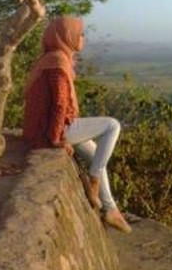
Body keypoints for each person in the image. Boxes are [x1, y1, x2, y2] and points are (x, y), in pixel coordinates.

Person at [22, 15, 131, 233]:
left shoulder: (54, 58)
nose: (83, 38)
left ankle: (110, 210)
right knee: (112, 125)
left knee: (95, 155)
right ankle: (93, 179)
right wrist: (55, 139)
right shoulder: (57, 62)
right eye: (80, 34)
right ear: (66, 36)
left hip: (49, 126)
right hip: (52, 129)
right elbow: (60, 104)